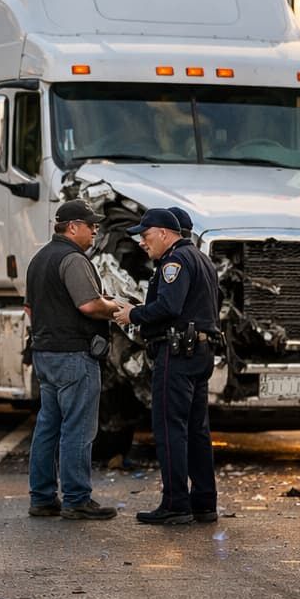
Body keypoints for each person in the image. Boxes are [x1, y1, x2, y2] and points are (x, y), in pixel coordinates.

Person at [113, 208, 221, 525]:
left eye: (146, 236)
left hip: (177, 355)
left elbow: (169, 306)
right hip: (200, 352)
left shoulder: (175, 261)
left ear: (163, 233)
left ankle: (175, 504)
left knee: (170, 428)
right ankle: (204, 503)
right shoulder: (201, 259)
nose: (142, 243)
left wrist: (133, 314)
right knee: (197, 431)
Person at [24, 199, 122, 520]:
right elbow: (89, 306)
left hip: (45, 353)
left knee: (47, 426)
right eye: (90, 225)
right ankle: (77, 499)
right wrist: (116, 307)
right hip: (74, 355)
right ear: (72, 227)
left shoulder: (39, 259)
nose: (95, 231)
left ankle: (42, 498)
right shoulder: (73, 259)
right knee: (78, 427)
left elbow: (29, 309)